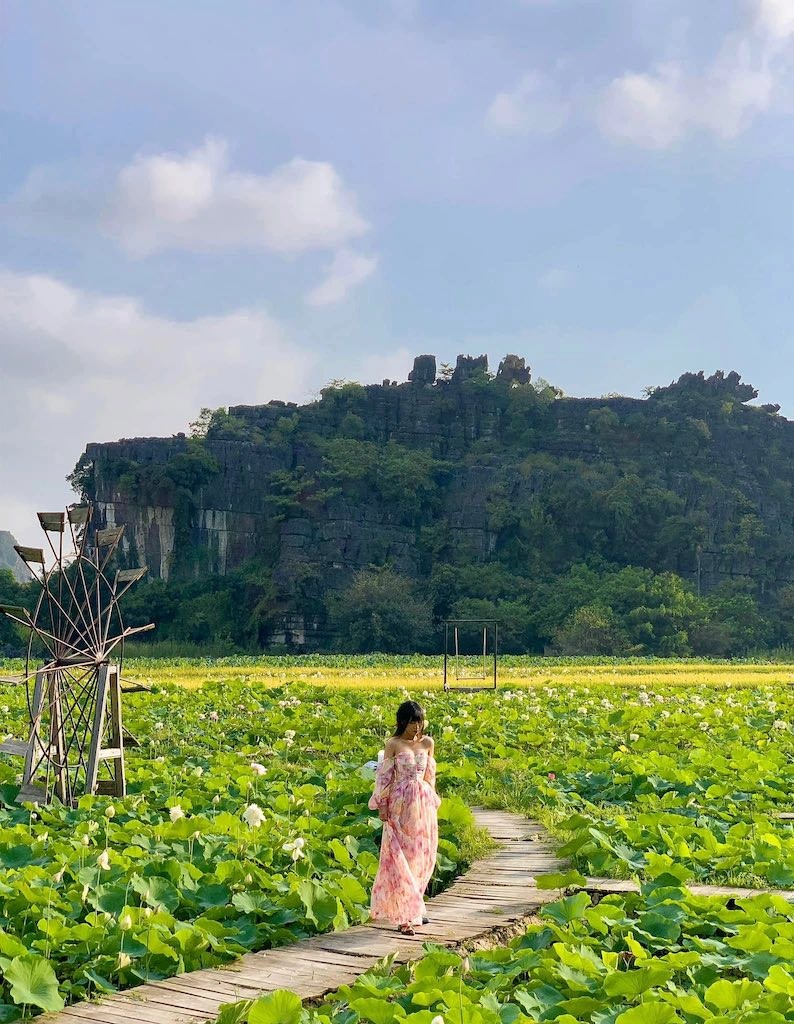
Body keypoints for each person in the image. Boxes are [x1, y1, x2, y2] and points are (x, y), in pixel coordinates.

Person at [368, 699, 441, 935]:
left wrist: (433, 801)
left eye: (419, 722)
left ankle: (416, 906)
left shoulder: (428, 743)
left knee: (423, 856)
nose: (417, 727)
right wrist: (382, 805)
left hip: (424, 804)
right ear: (402, 722)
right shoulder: (393, 744)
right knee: (402, 858)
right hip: (401, 804)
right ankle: (405, 916)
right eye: (412, 722)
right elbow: (384, 778)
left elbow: (430, 776)